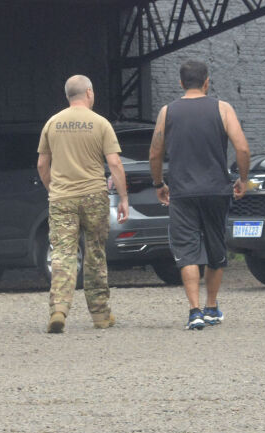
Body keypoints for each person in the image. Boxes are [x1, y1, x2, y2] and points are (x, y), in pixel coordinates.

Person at [149, 60, 251, 330]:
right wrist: (242, 179)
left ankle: (194, 312)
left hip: (182, 193)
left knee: (187, 251)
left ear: (181, 83)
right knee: (216, 248)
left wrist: (159, 183)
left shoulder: (167, 112)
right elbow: (242, 148)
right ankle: (211, 307)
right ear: (207, 82)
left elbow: (155, 153)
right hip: (217, 190)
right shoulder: (223, 108)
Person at [37, 74, 129, 333]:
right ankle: (100, 315)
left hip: (62, 198)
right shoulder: (100, 123)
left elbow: (42, 164)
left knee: (63, 253)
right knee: (95, 252)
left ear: (68, 95)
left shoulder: (52, 123)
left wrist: (54, 189)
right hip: (94, 196)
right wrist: (123, 198)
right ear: (89, 93)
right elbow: (115, 163)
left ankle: (59, 310)